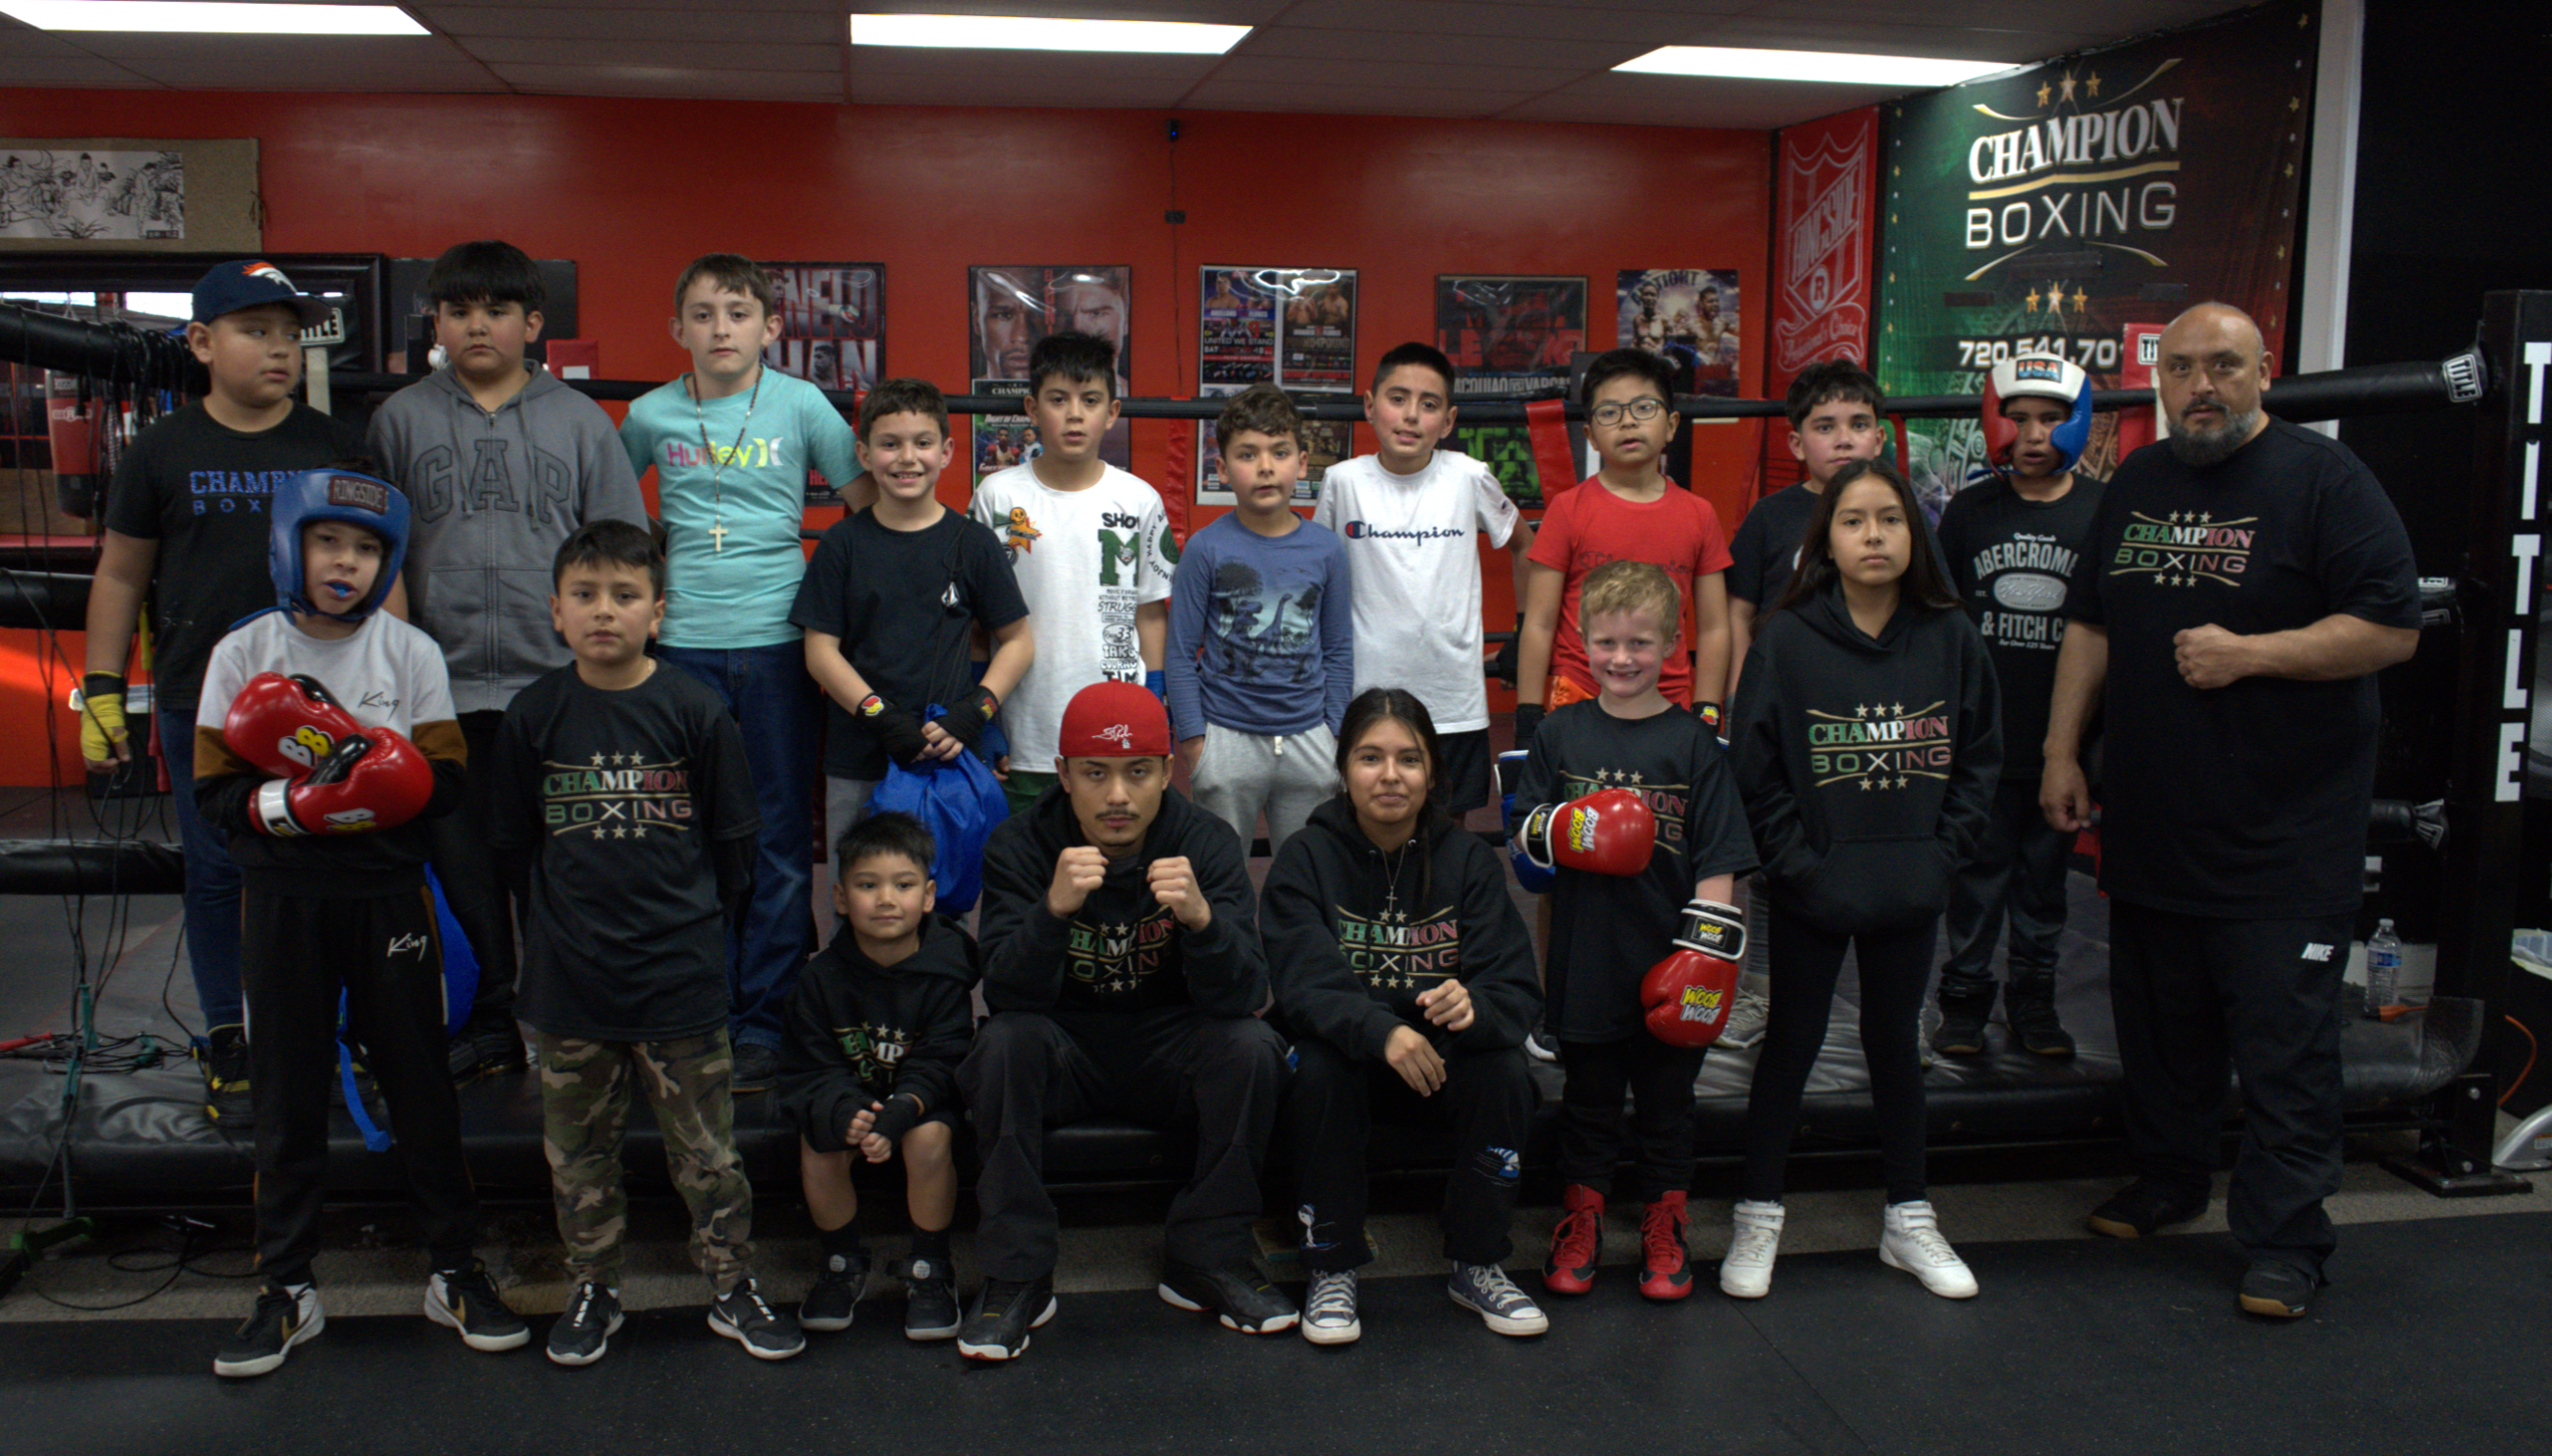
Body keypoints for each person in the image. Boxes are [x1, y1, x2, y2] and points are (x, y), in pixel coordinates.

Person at [2042, 303, 2419, 1319]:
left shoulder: (2325, 481)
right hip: (2158, 819)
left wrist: (2253, 654)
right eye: (2182, 369)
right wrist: (2061, 747)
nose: (2200, 384)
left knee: (2285, 1044)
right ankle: (2171, 1182)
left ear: (2264, 372)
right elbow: (2090, 622)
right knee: (2162, 1029)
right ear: (2159, 382)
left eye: (2224, 365)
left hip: (2284, 834)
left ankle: (2287, 1240)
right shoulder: (2142, 483)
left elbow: (2391, 627)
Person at [194, 466, 524, 1377]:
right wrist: (314, 804)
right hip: (285, 902)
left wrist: (376, 782)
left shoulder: (408, 652)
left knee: (421, 1082)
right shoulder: (244, 654)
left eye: (368, 547)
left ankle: (454, 1268)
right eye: (330, 541)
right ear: (289, 545)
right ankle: (286, 1286)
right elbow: (216, 795)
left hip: (388, 899)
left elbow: (446, 783)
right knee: (286, 1091)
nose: (347, 561)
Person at [485, 520, 801, 1366]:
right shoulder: (535, 713)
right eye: (584, 596)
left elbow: (737, 846)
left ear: (657, 611)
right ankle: (593, 1286)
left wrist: (692, 931)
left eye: (624, 596)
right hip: (569, 982)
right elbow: (512, 844)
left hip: (679, 977)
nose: (603, 612)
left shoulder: (694, 707)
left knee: (709, 1156)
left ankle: (731, 1283)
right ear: (555, 612)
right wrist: (556, 931)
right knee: (580, 1161)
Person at [80, 260, 364, 1124]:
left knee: (330, 860)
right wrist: (99, 690)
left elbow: (376, 559)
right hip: (199, 696)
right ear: (202, 341)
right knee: (214, 872)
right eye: (254, 331)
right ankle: (228, 1033)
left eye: (288, 332)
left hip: (323, 694)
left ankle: (330, 1029)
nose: (278, 348)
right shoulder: (164, 449)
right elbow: (122, 574)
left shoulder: (327, 441)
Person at [367, 240, 648, 1082]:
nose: (475, 325)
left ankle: (577, 1016)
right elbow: (379, 556)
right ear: (438, 323)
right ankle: (489, 1018)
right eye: (458, 310)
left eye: (495, 310)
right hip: (440, 687)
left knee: (565, 861)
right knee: (464, 867)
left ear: (533, 323)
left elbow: (620, 553)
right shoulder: (400, 420)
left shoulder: (581, 422)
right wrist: (396, 670)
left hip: (553, 687)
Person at [1720, 458, 1999, 1303]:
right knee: (1789, 1047)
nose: (1872, 534)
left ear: (1913, 536)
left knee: (1896, 1049)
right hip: (1812, 889)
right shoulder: (1786, 638)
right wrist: (1797, 866)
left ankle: (1907, 1219)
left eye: (1889, 518)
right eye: (1852, 520)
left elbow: (1980, 760)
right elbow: (1756, 771)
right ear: (1826, 541)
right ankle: (1757, 1215)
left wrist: (1936, 855)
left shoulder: (1948, 634)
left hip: (1906, 885)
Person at [957, 680, 1292, 1361]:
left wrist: (1200, 920)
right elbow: (1006, 993)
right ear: (1063, 775)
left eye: (1137, 772)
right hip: (1065, 1044)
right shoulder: (1021, 844)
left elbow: (1244, 993)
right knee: (1000, 1046)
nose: (1117, 796)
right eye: (1096, 773)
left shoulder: (1205, 840)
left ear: (1167, 773)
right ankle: (1016, 1271)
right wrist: (1049, 914)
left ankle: (1210, 1254)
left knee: (1252, 1048)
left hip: (1168, 1044)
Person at [621, 254, 866, 1093]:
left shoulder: (800, 404)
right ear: (676, 329)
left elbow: (864, 500)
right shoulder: (652, 413)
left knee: (776, 841)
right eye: (702, 313)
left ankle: (765, 1020)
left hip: (777, 645)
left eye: (736, 312)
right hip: (681, 646)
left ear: (770, 326)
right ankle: (702, 1010)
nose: (719, 328)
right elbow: (613, 513)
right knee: (690, 839)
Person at [1265, 688, 1547, 1344]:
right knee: (1317, 1065)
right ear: (1343, 769)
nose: (1389, 775)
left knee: (1504, 1070)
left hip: (1437, 1069)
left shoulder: (1469, 861)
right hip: (1352, 1066)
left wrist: (1474, 1006)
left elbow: (1513, 984)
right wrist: (1381, 1029)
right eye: (1369, 757)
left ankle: (1477, 1259)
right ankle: (1330, 1260)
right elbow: (1301, 980)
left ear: (1432, 773)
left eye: (1408, 759)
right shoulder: (1305, 858)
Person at [1511, 561, 1756, 1302]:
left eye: (1640, 643)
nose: (1622, 658)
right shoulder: (1560, 733)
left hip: (1668, 955)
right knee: (1586, 1100)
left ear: (1673, 645)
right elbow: (1524, 842)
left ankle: (1664, 1220)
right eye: (1608, 641)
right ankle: (1580, 1217)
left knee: (1667, 1102)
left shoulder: (1692, 747)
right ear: (1582, 641)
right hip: (1585, 957)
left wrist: (1701, 964)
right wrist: (1569, 827)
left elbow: (1720, 861)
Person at [793, 378, 1033, 898]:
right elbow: (820, 650)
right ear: (863, 453)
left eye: (922, 442)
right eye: (889, 443)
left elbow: (1017, 641)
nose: (907, 458)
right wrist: (881, 716)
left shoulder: (972, 542)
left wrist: (977, 712)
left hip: (943, 756)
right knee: (856, 900)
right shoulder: (841, 545)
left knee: (936, 899)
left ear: (946, 451)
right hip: (858, 756)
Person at [1930, 353, 2106, 1059]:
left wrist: (2088, 747)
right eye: (2019, 417)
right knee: (1974, 882)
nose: (2033, 434)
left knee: (2044, 885)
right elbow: (1941, 623)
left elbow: (2106, 631)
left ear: (2078, 423)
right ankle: (1964, 1005)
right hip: (1982, 740)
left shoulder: (2100, 510)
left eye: (2050, 418)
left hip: (2060, 741)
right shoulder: (1972, 509)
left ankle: (2032, 1005)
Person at [1713, 359, 1891, 1053]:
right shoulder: (1772, 516)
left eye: (1856, 425)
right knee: (1764, 854)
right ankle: (1756, 990)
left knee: (1875, 850)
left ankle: (1893, 1007)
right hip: (1781, 717)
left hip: (1869, 719)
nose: (1842, 439)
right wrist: (1733, 700)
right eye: (1824, 426)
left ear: (1878, 437)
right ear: (1795, 443)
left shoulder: (1896, 512)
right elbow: (1736, 613)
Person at [776, 812, 975, 1342]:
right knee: (818, 1141)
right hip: (850, 1101)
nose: (886, 899)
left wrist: (901, 1110)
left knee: (931, 1138)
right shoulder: (818, 979)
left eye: (903, 885)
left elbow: (945, 1058)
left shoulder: (947, 970)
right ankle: (841, 1261)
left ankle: (931, 1268)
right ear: (841, 897)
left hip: (919, 1103)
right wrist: (845, 1110)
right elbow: (810, 1065)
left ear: (929, 896)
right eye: (868, 885)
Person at [1312, 342, 1532, 817]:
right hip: (1364, 695)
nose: (1411, 416)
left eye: (1428, 405)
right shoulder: (1342, 481)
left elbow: (1526, 546)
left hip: (1453, 697)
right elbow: (1318, 573)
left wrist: (1524, 630)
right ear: (1370, 406)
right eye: (1397, 398)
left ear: (1448, 421)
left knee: (1446, 834)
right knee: (1366, 829)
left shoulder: (1469, 476)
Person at [968, 332, 1176, 816]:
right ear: (1032, 408)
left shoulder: (1140, 499)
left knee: (1111, 873)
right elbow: (976, 624)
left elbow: (1150, 613)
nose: (1075, 414)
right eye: (1058, 399)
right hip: (1024, 723)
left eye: (1090, 400)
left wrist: (1155, 699)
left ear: (1114, 411)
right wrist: (983, 713)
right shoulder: (996, 497)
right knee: (1021, 874)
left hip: (1115, 721)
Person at [1167, 384, 1353, 857]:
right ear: (1223, 469)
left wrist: (1334, 735)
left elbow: (1337, 649)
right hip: (1226, 739)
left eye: (1280, 452)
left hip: (1310, 739)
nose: (1266, 466)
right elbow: (1180, 652)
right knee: (1221, 878)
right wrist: (1196, 745)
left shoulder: (1327, 549)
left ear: (1303, 463)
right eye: (1248, 455)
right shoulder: (1206, 549)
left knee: (1307, 877)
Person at [1516, 347, 1735, 734]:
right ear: (1591, 436)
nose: (1628, 422)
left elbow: (1715, 626)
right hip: (1578, 698)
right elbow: (1539, 622)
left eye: (1644, 408)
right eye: (1610, 412)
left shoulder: (1699, 514)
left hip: (1670, 703)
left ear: (1671, 425)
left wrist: (1707, 708)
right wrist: (1528, 712)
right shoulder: (1568, 510)